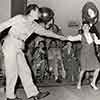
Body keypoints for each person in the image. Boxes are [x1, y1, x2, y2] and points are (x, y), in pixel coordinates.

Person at [0, 4, 68, 100]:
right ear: (32, 11)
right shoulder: (20, 18)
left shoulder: (34, 25)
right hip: (10, 43)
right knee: (12, 71)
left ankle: (33, 93)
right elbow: (3, 25)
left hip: (19, 46)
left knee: (26, 71)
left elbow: (47, 33)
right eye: (37, 11)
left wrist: (63, 37)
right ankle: (10, 96)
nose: (39, 13)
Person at [68, 21, 100, 90]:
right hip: (84, 55)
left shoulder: (93, 35)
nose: (85, 27)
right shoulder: (80, 36)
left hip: (92, 55)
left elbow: (97, 42)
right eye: (84, 26)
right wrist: (68, 37)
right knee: (83, 70)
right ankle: (79, 82)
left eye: (87, 26)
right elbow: (72, 38)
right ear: (82, 28)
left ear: (89, 27)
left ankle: (93, 83)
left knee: (98, 68)